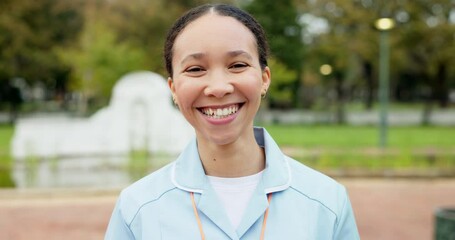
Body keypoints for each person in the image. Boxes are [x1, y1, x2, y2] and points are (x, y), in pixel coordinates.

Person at [105, 3, 360, 239]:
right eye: (195, 69)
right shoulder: (137, 208)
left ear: (264, 78)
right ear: (172, 88)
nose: (218, 87)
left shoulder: (326, 202)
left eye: (237, 65)